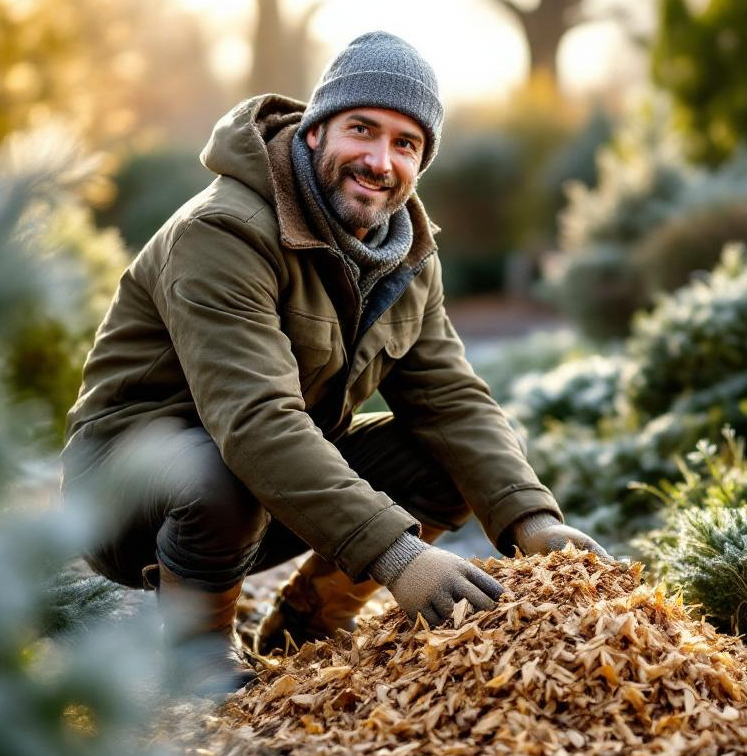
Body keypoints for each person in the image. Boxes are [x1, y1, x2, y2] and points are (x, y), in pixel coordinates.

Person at [61, 31, 608, 693]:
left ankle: (306, 627)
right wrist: (400, 558)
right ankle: (196, 653)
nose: (380, 161)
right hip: (129, 493)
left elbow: (452, 400)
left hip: (260, 482)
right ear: (316, 129)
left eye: (405, 144)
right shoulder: (224, 231)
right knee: (217, 466)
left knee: (450, 458)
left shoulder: (405, 252)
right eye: (362, 129)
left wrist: (532, 520)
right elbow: (255, 422)